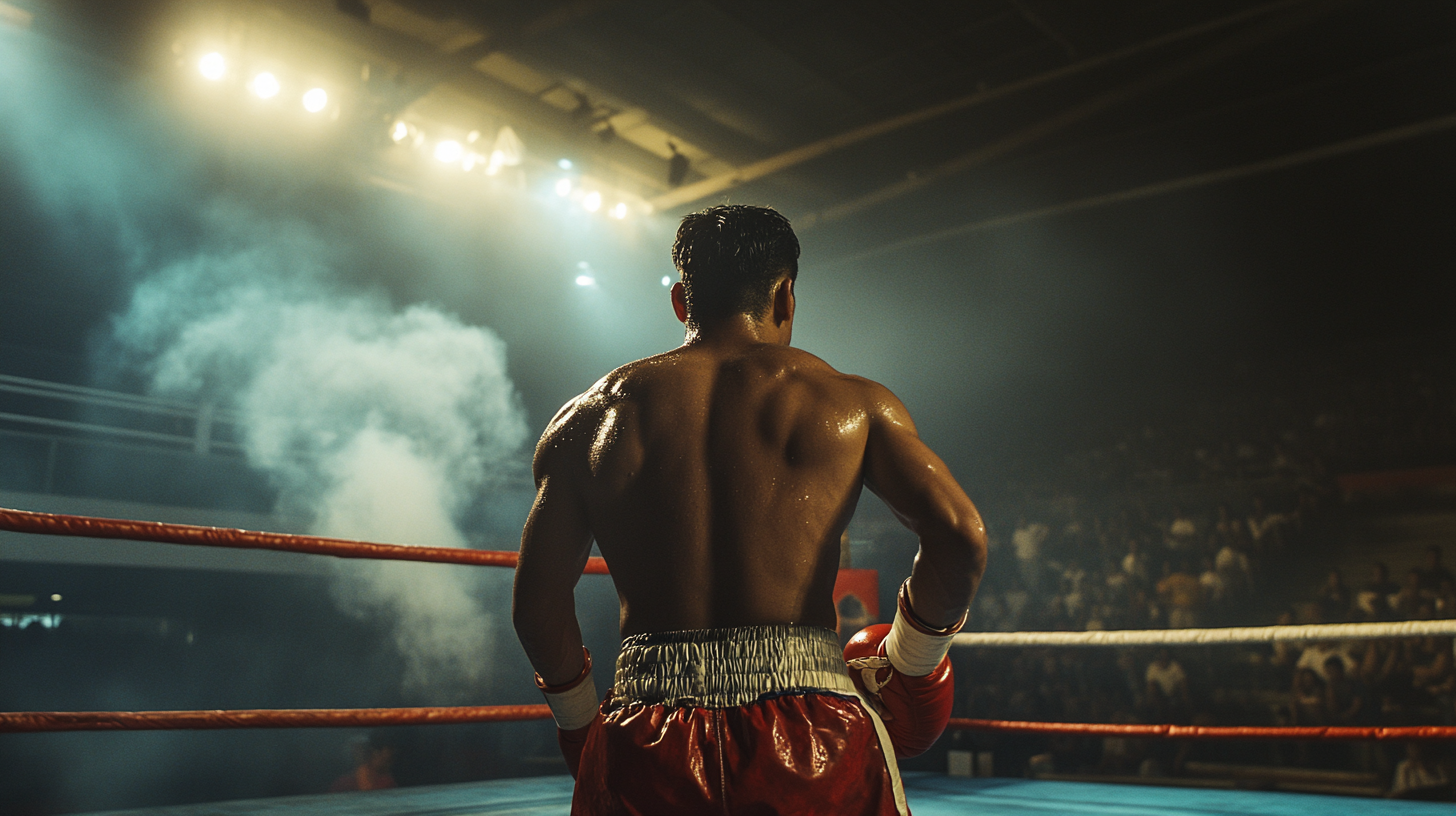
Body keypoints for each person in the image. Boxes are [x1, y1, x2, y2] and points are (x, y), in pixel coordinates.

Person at [512, 205, 988, 816]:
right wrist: (910, 665)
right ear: (786, 297)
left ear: (682, 301)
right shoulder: (852, 404)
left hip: (645, 728)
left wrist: (580, 727)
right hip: (811, 723)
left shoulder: (588, 419)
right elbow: (959, 534)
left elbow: (536, 604)